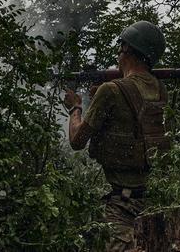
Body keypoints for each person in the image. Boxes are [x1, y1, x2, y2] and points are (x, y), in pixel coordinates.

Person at [64, 20, 169, 251]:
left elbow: (77, 141)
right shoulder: (161, 90)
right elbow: (132, 125)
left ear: (128, 50)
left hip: (122, 206)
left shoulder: (111, 90)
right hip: (156, 199)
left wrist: (76, 108)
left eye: (120, 48)